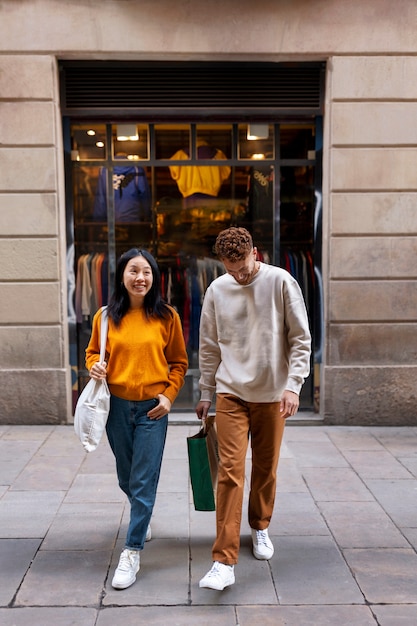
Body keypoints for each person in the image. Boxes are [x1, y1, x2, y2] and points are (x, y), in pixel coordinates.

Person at [195, 227, 311, 591]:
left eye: (244, 266)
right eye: (232, 269)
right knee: (230, 471)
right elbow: (210, 345)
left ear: (254, 253)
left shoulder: (281, 281)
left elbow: (301, 339)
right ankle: (223, 561)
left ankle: (260, 526)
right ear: (222, 263)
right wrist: (206, 391)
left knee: (265, 468)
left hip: (273, 395)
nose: (240, 275)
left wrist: (293, 386)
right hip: (231, 393)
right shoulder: (217, 290)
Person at [85, 248, 188, 590]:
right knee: (127, 478)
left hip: (152, 411)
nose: (140, 277)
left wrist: (168, 396)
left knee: (143, 481)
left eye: (146, 272)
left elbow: (179, 363)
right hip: (115, 407)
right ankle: (142, 518)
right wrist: (95, 367)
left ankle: (132, 551)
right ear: (121, 275)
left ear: (154, 277)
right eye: (133, 271)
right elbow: (92, 354)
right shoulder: (106, 317)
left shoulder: (167, 316)